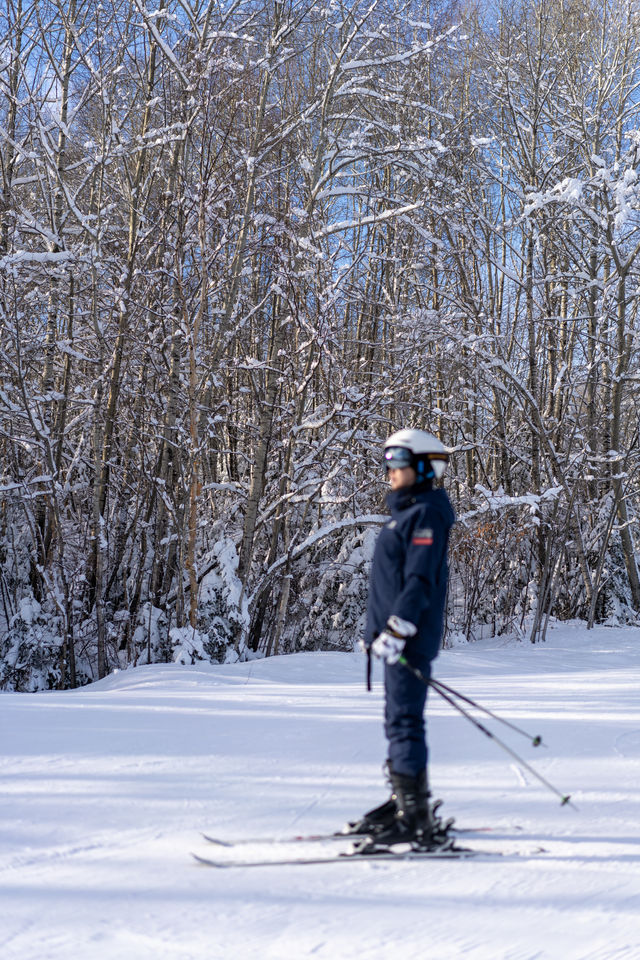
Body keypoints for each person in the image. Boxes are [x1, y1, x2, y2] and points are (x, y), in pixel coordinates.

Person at [351, 428, 455, 850]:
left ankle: (413, 818)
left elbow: (418, 581)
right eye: (387, 461)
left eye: (399, 462)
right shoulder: (410, 512)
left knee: (404, 722)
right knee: (399, 720)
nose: (390, 471)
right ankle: (406, 802)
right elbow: (389, 583)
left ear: (423, 467)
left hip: (408, 639)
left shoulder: (425, 514)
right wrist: (376, 631)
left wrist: (397, 629)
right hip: (396, 637)